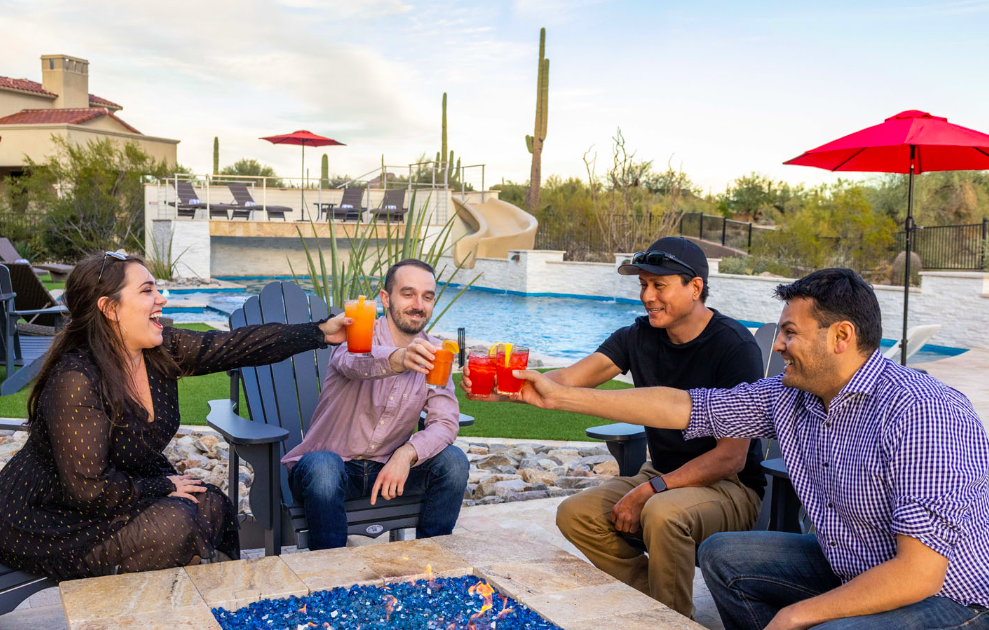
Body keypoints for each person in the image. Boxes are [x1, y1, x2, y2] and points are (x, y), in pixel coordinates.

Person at [512, 267, 989, 630]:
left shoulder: (923, 412)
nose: (778, 345)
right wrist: (561, 395)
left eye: (790, 333)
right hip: (851, 565)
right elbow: (685, 407)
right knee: (724, 556)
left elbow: (919, 573)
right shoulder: (791, 393)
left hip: (950, 597)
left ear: (842, 336)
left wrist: (797, 615)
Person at [0, 251, 350, 580]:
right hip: (47, 518)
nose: (161, 299)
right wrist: (164, 486)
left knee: (211, 504)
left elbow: (233, 345)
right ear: (110, 308)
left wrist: (317, 332)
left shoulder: (158, 351)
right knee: (175, 523)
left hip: (116, 497)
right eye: (148, 291)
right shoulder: (76, 380)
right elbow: (88, 489)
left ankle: (221, 603)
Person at [462, 237, 766, 617]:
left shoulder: (735, 347)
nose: (647, 296)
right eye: (643, 285)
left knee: (662, 512)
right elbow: (568, 378)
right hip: (663, 475)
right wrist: (502, 391)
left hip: (729, 488)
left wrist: (650, 490)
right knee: (576, 514)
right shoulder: (637, 337)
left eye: (659, 285)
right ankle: (662, 609)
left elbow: (731, 458)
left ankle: (669, 622)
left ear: (695, 287)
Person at [282, 258, 470, 550]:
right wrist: (399, 358)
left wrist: (407, 453)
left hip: (389, 470)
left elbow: (445, 422)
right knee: (324, 467)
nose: (418, 304)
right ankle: (331, 575)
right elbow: (352, 363)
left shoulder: (436, 353)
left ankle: (432, 566)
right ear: (386, 298)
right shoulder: (357, 334)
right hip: (331, 470)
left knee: (454, 462)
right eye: (408, 294)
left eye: (427, 296)